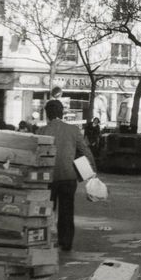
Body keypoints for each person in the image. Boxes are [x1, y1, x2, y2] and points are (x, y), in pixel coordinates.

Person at [38, 99, 96, 252]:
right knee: (66, 211)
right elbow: (85, 151)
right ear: (61, 113)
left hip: (46, 177)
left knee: (46, 210)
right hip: (68, 177)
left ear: (47, 114)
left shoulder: (41, 131)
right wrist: (92, 171)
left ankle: (44, 240)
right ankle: (66, 242)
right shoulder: (73, 130)